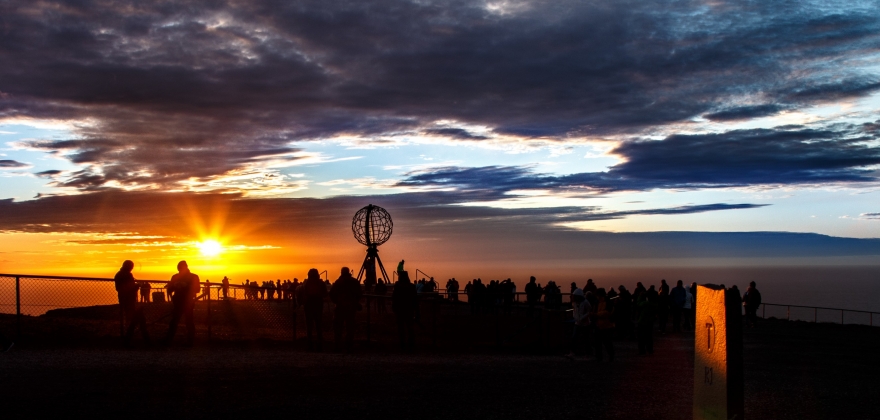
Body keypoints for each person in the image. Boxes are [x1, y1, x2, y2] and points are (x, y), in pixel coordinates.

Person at [114, 260, 151, 347]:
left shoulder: (120, 274)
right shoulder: (126, 275)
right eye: (131, 266)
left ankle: (131, 339)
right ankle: (143, 340)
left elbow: (121, 288)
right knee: (138, 319)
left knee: (136, 319)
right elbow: (128, 288)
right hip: (129, 300)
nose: (132, 268)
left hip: (126, 299)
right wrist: (137, 286)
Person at [164, 261, 200, 347]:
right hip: (180, 301)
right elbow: (169, 289)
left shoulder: (192, 277)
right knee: (177, 321)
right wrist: (174, 286)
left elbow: (197, 289)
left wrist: (185, 285)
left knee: (187, 321)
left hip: (187, 302)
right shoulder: (189, 277)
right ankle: (171, 340)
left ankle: (188, 341)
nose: (179, 269)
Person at [329, 267, 363, 353]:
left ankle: (337, 345)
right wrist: (355, 302)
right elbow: (359, 293)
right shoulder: (354, 282)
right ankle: (349, 345)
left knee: (338, 327)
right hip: (351, 308)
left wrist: (336, 302)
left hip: (340, 307)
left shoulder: (338, 282)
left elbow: (332, 293)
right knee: (350, 327)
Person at [298, 268, 328, 351]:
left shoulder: (306, 283)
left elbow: (301, 293)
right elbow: (325, 293)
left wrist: (301, 302)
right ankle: (320, 345)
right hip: (318, 305)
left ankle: (309, 345)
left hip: (308, 305)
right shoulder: (321, 283)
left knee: (309, 326)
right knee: (318, 325)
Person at [392, 271, 418, 353]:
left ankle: (402, 344)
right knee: (410, 327)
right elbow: (415, 299)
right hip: (409, 309)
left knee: (401, 328)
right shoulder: (412, 287)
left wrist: (394, 308)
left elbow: (394, 298)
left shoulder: (397, 286)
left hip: (400, 310)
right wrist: (416, 310)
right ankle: (411, 344)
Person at [565, 288, 591, 359]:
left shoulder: (585, 302)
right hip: (577, 323)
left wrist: (583, 317)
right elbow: (575, 311)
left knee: (586, 339)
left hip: (585, 324)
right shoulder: (575, 303)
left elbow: (589, 311)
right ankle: (573, 352)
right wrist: (576, 317)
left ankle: (587, 353)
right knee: (574, 338)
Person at [593, 288, 615, 362]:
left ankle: (611, 356)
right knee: (598, 343)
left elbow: (607, 313)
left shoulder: (608, 302)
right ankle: (599, 357)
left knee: (607, 342)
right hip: (599, 325)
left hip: (607, 326)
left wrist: (596, 315)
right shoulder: (597, 302)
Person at [636, 287, 656, 355]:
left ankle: (642, 351)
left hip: (642, 322)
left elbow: (638, 304)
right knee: (649, 337)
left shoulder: (645, 304)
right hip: (650, 322)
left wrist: (641, 296)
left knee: (641, 338)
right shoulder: (654, 304)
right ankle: (650, 350)